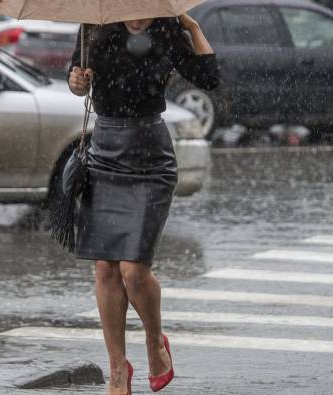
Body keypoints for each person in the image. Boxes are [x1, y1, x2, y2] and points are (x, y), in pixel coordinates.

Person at [67, 13, 220, 395]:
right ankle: (118, 367)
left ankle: (154, 341)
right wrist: (77, 81)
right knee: (105, 268)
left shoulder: (167, 28)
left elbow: (209, 78)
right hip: (104, 152)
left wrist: (194, 28)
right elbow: (76, 80)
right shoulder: (95, 26)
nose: (136, 15)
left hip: (151, 157)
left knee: (133, 271)